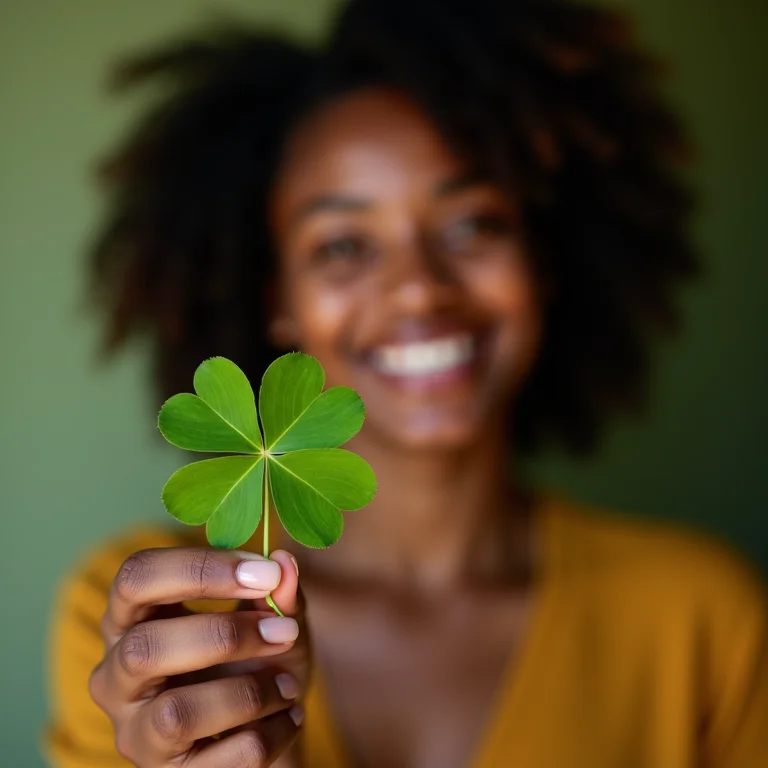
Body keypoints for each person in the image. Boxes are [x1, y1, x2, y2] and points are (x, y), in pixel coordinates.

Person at [45, 1, 768, 766]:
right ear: (278, 302)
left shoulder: (703, 618)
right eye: (345, 244)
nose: (419, 289)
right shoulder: (144, 625)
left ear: (543, 263)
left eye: (472, 225)